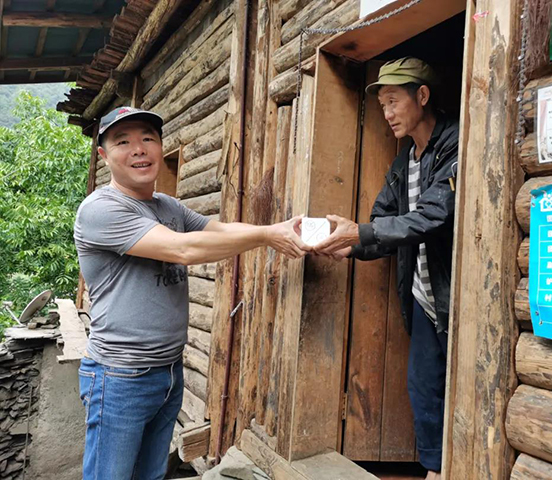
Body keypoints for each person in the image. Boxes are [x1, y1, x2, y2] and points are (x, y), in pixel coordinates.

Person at [74, 106, 309, 479]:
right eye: (123, 142)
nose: (139, 149)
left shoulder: (167, 206)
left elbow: (217, 232)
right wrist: (267, 237)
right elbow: (184, 249)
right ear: (104, 156)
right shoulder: (101, 210)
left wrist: (278, 227)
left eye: (148, 139)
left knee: (149, 475)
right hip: (120, 376)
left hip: (168, 370)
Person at [313, 57, 458, 480]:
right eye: (382, 106)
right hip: (424, 298)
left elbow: (434, 216)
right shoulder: (402, 164)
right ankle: (435, 471)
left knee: (460, 386)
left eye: (393, 102)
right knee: (424, 387)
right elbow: (381, 226)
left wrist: (358, 234)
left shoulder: (454, 143)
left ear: (423, 96)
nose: (388, 113)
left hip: (457, 294)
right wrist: (347, 246)